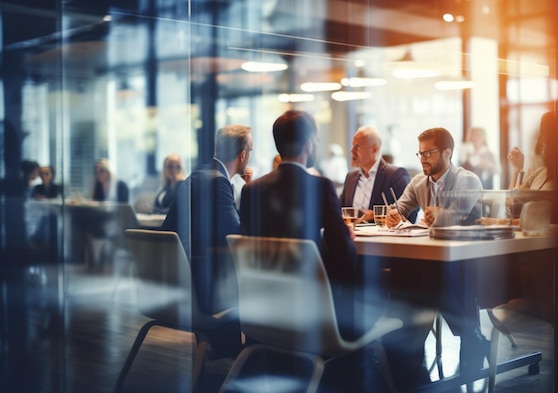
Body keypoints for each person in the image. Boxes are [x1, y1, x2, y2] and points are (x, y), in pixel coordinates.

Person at [240, 110, 401, 390]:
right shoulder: (319, 186)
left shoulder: (252, 191)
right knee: (380, 282)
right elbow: (345, 261)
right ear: (309, 144)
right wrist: (345, 237)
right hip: (314, 318)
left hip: (263, 312)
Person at [386, 127, 488, 375]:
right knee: (409, 272)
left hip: (470, 263)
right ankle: (413, 339)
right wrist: (393, 215)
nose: (423, 159)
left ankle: (462, 335)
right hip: (433, 260)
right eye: (420, 153)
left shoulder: (467, 179)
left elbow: (457, 216)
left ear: (447, 153)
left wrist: (441, 215)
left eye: (429, 153)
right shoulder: (419, 181)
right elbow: (399, 208)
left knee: (426, 279)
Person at [161, 124, 253, 357]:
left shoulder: (197, 176)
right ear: (243, 154)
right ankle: (251, 359)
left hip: (175, 281)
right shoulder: (217, 181)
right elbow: (234, 237)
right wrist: (251, 193)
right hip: (199, 289)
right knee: (262, 283)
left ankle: (228, 349)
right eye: (250, 151)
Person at [339, 125, 412, 222]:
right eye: (353, 146)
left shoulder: (395, 175)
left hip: (380, 236)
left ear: (374, 149)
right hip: (350, 235)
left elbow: (410, 213)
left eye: (357, 147)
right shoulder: (350, 177)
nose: (352, 151)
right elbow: (339, 210)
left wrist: (376, 215)